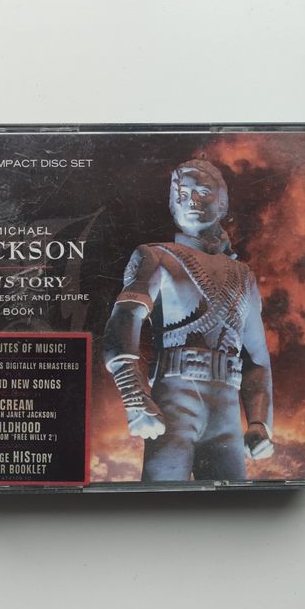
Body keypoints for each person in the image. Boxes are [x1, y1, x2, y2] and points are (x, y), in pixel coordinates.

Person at [104, 159, 274, 481]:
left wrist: (259, 422)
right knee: (160, 499)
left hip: (226, 411)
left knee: (232, 503)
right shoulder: (156, 256)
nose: (191, 201)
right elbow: (123, 322)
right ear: (174, 204)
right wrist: (134, 396)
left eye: (203, 192)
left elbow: (257, 360)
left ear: (222, 202)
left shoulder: (244, 276)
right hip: (174, 402)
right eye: (182, 194)